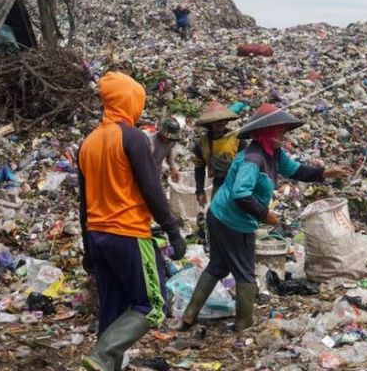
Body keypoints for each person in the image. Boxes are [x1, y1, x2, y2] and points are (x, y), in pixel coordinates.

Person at [182, 104, 351, 331]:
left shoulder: (273, 154)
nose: (283, 136)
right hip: (232, 220)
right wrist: (265, 214)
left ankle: (189, 314)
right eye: (280, 132)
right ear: (266, 132)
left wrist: (325, 173)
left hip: (220, 214)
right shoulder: (254, 159)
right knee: (245, 273)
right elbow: (241, 194)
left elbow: (297, 171)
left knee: (218, 265)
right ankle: (243, 322)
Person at [79, 72, 187, 371]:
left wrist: (88, 248)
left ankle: (104, 370)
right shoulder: (133, 137)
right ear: (130, 101)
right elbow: (151, 187)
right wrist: (172, 230)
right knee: (153, 304)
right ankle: (101, 355)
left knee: (112, 309)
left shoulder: (88, 143)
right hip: (128, 233)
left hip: (99, 236)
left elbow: (83, 204)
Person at [191, 101, 247, 248]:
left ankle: (237, 245)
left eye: (223, 120)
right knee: (215, 215)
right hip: (219, 182)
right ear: (210, 123)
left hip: (237, 182)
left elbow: (247, 164)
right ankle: (219, 246)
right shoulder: (202, 143)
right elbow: (199, 167)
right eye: (217, 121)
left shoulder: (237, 138)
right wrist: (199, 190)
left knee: (237, 215)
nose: (220, 124)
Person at [150, 116, 182, 182]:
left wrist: (173, 169)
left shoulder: (171, 141)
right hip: (147, 171)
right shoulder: (151, 142)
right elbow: (143, 163)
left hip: (157, 171)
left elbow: (169, 151)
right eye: (168, 138)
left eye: (171, 139)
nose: (170, 141)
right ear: (161, 132)